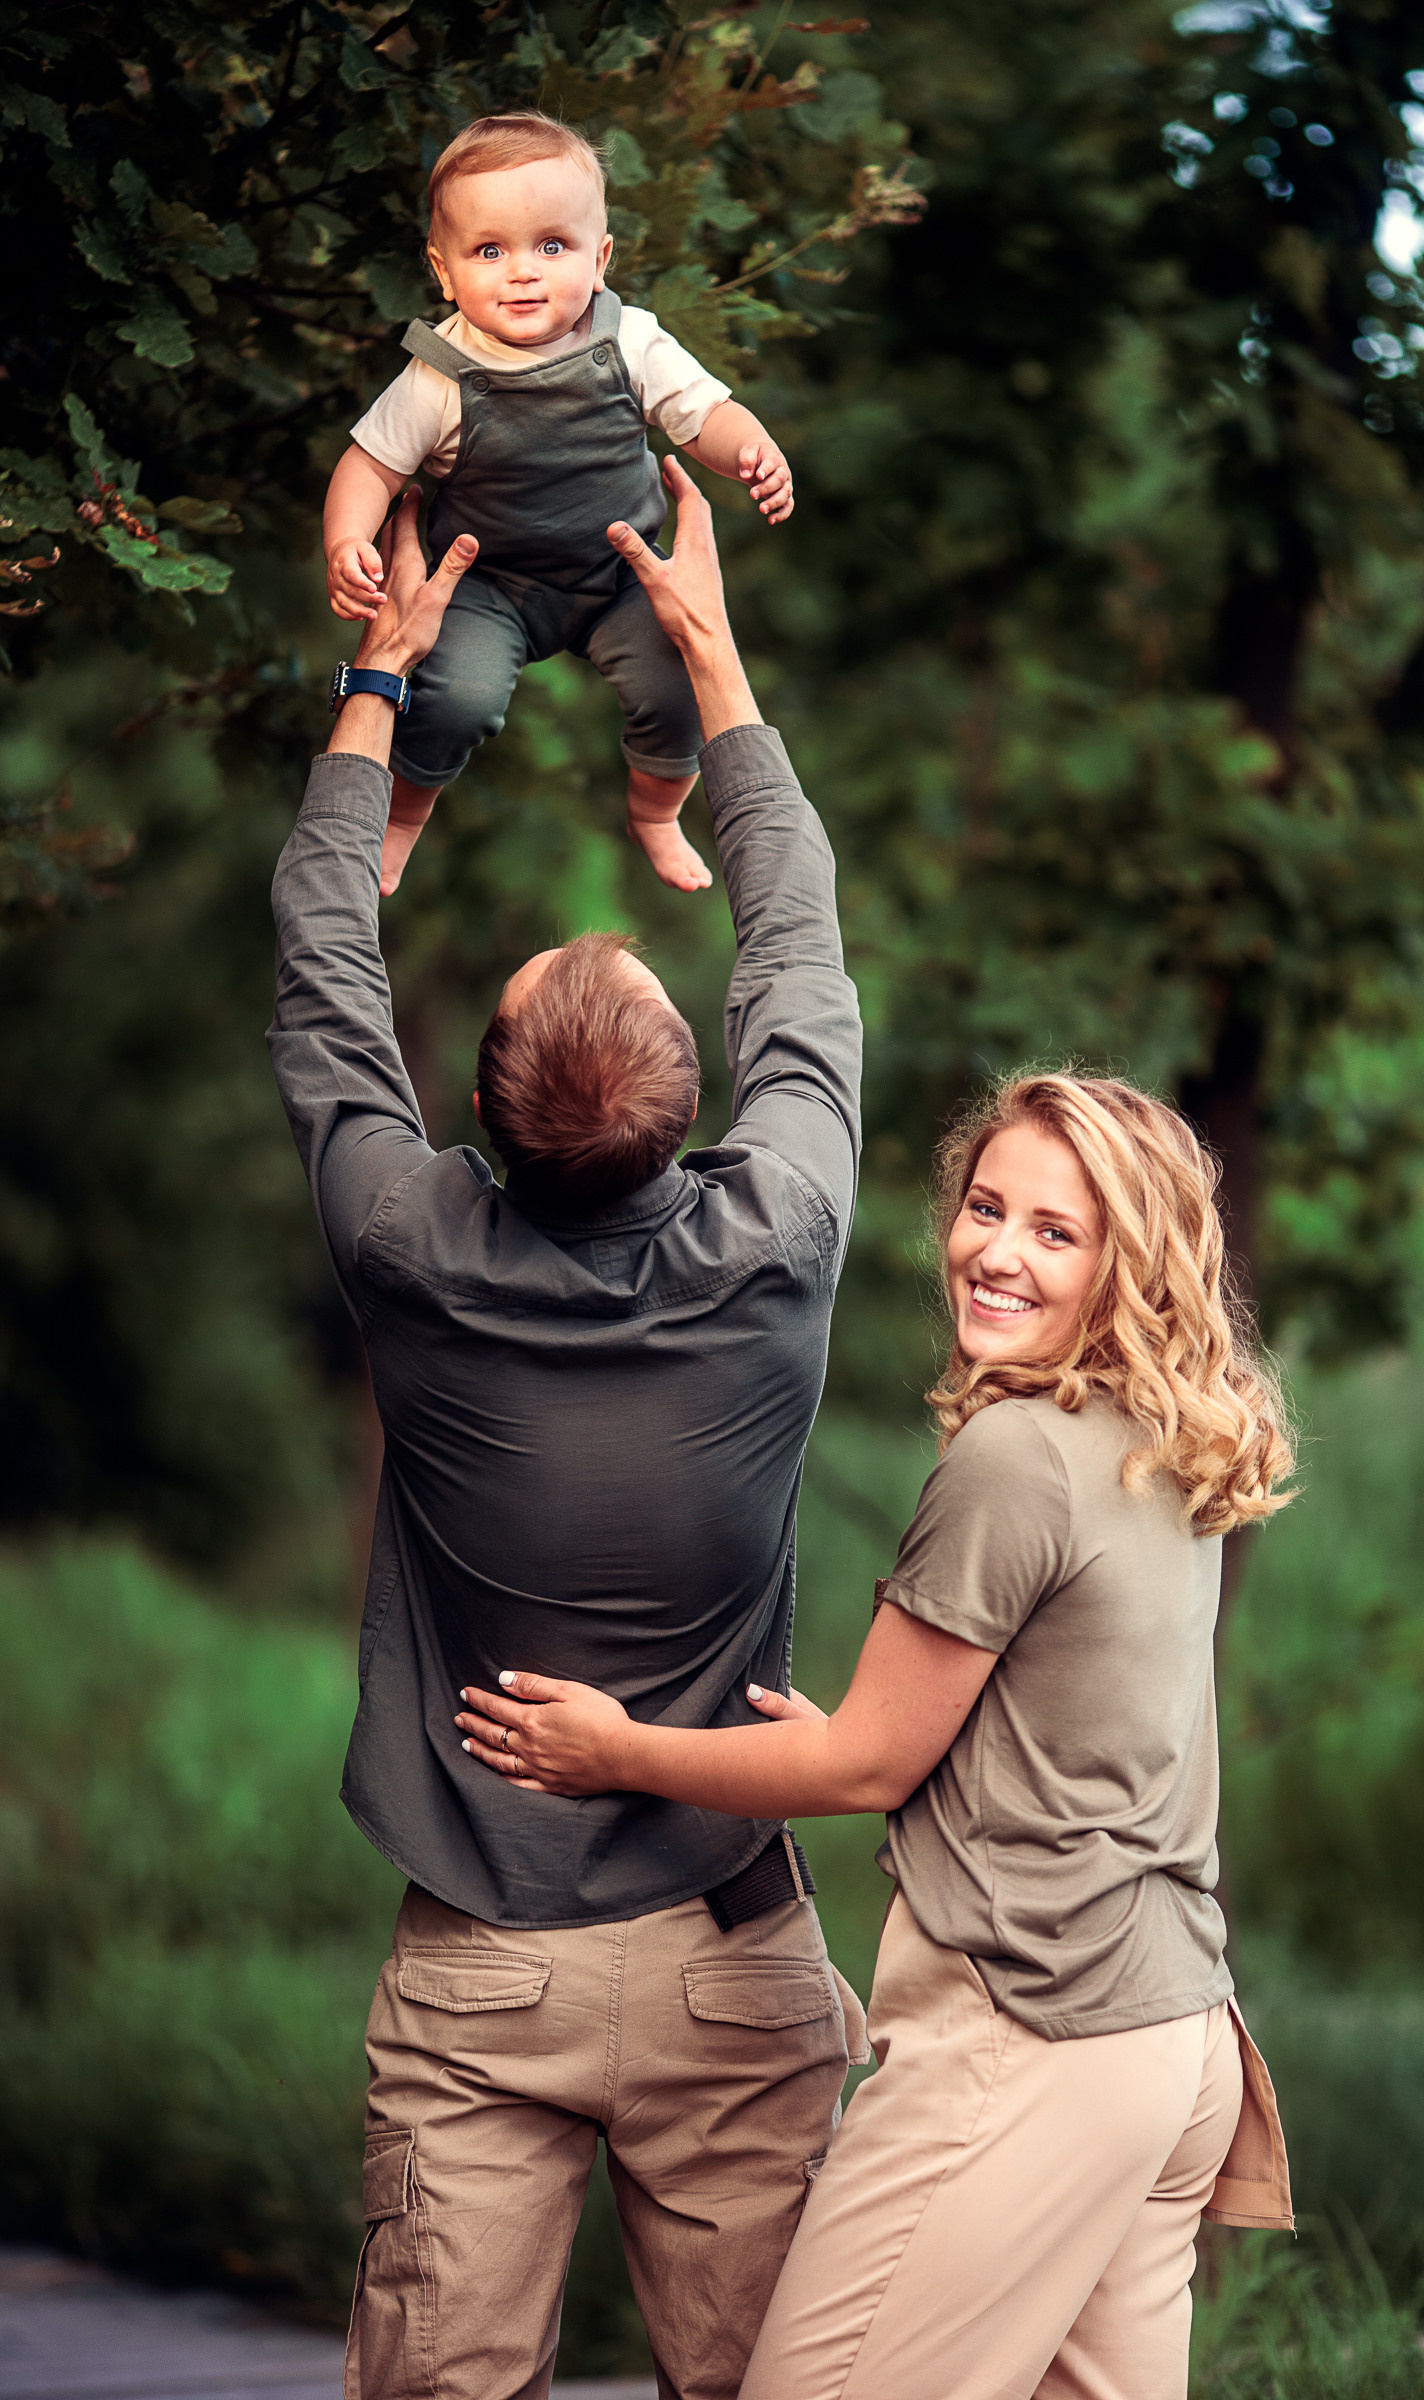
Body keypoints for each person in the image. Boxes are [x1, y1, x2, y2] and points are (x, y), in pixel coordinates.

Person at [270, 459, 866, 2400]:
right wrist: (711, 667)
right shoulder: (771, 1236)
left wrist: (379, 687)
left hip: (480, 1966)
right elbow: (795, 946)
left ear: (486, 1119)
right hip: (728, 1956)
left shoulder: (404, 1239)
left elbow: (318, 967)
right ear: (689, 1118)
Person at [458, 1072, 1299, 2400]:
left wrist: (615, 1751)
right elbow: (1064, 1736)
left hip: (1032, 2037)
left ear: (1127, 1265)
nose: (997, 1252)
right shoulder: (1164, 1447)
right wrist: (867, 1737)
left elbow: (863, 1764)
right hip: (1174, 2041)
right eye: (986, 1207)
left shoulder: (1016, 1459)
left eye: (1056, 1231)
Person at [323, 110, 794, 899]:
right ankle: (402, 819)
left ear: (600, 257)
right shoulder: (440, 372)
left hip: (621, 576)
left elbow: (703, 414)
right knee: (449, 700)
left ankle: (654, 811)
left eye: (552, 246)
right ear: (443, 272)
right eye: (489, 250)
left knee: (679, 688)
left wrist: (751, 448)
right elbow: (368, 465)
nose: (522, 272)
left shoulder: (629, 342)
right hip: (489, 586)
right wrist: (346, 541)